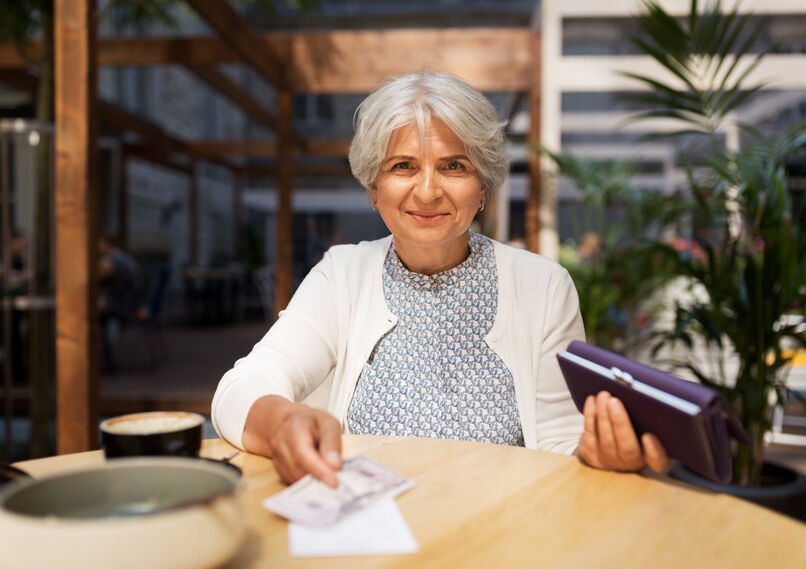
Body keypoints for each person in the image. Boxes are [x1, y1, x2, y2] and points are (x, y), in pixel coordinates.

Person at [211, 71, 669, 487]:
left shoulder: (544, 286)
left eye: (454, 166)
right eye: (402, 166)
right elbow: (241, 389)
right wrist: (284, 421)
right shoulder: (341, 274)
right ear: (374, 188)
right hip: (369, 533)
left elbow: (560, 446)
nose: (427, 191)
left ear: (484, 187)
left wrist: (598, 454)